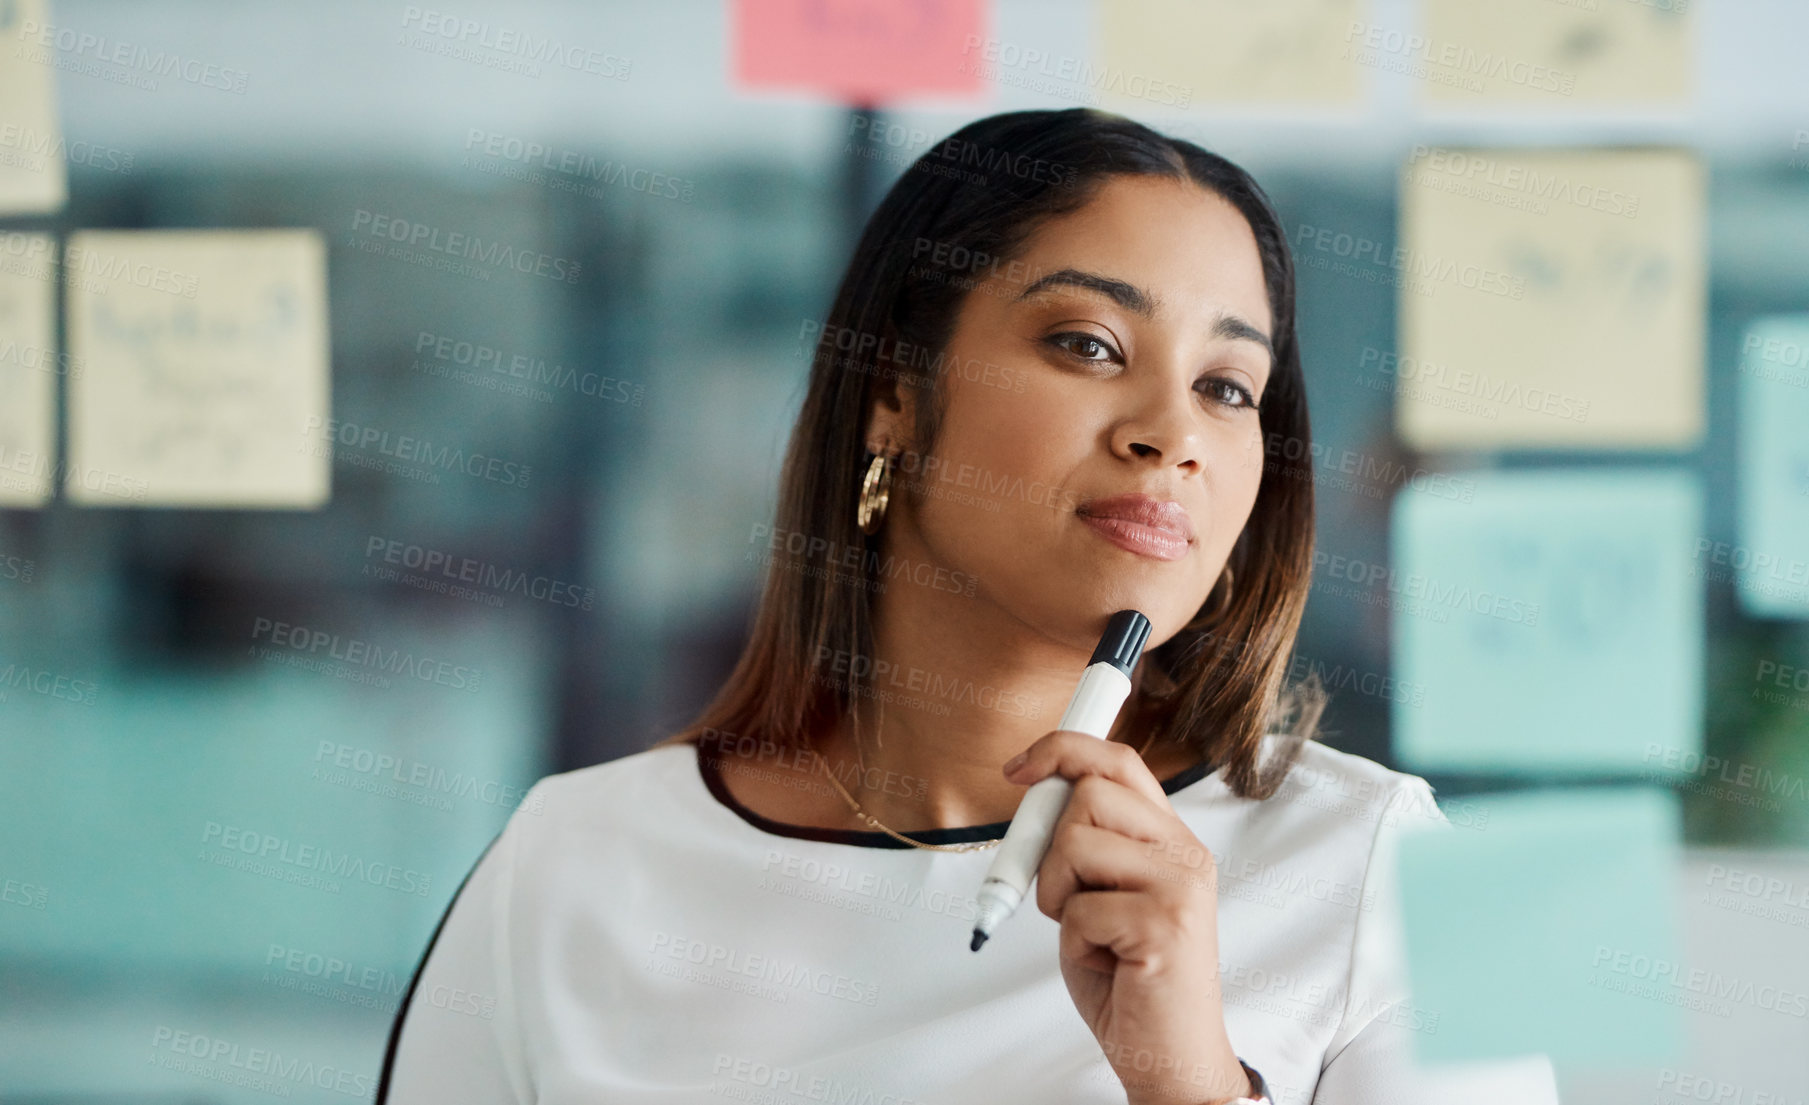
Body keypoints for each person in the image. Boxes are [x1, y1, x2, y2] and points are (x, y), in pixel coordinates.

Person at [376, 108, 1560, 1105]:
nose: (1173, 432)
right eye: (1090, 344)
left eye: (1226, 385)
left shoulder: (1383, 875)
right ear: (894, 389)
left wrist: (1190, 1081)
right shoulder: (573, 864)